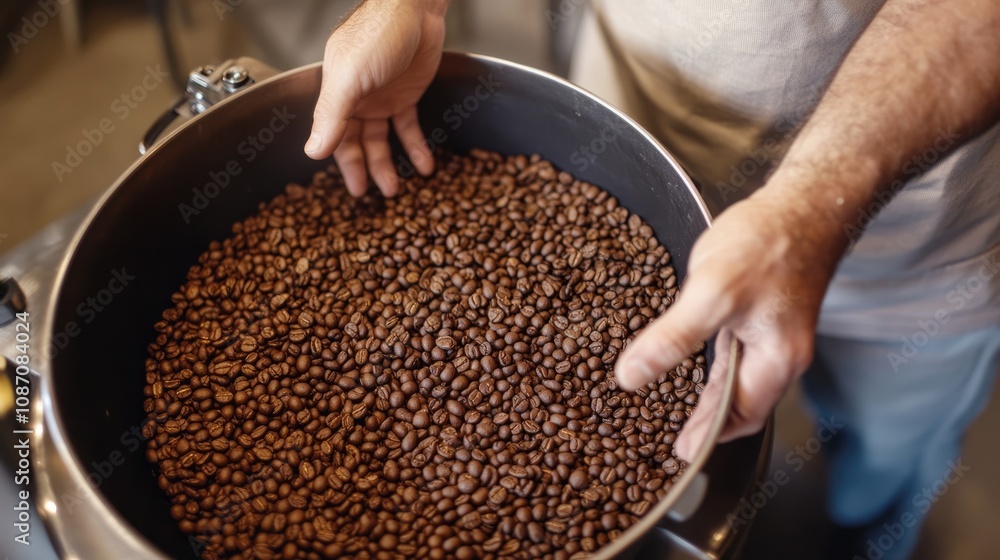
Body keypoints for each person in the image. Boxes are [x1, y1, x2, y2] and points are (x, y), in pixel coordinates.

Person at [302, 1, 1000, 558]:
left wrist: (813, 212)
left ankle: (859, 536)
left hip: (914, 232)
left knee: (886, 455)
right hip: (637, 128)